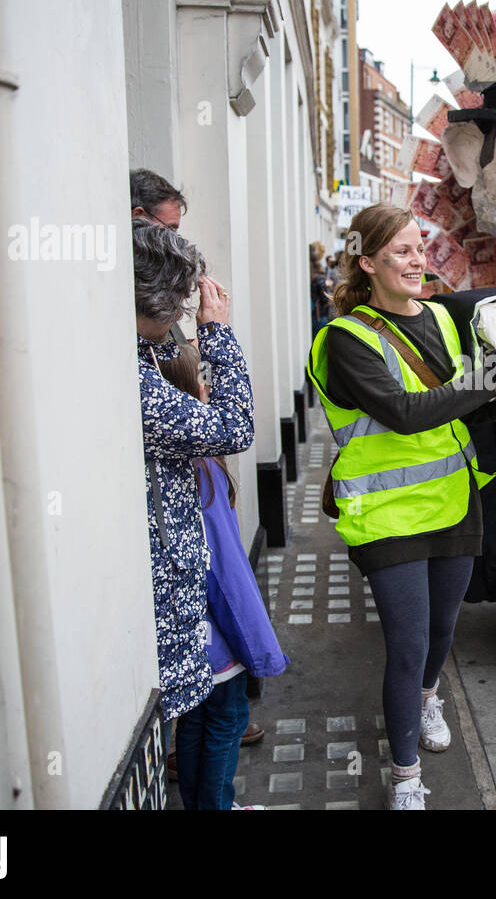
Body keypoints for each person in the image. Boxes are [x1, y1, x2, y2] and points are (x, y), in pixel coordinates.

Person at [308, 203, 496, 810]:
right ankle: (406, 777)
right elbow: (406, 416)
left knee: (441, 630)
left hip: (455, 500)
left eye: (419, 247)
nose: (416, 260)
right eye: (400, 251)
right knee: (406, 645)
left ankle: (429, 696)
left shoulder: (439, 316)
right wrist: (487, 379)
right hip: (387, 518)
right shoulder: (346, 338)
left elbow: (467, 405)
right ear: (368, 262)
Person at [134, 219, 255, 768]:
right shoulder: (135, 379)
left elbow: (177, 370)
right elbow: (235, 426)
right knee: (199, 715)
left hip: (172, 578)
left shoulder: (139, 356)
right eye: (180, 306)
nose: (185, 316)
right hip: (162, 585)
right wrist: (217, 333)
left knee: (202, 710)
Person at [156, 346, 289, 810]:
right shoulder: (204, 468)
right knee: (227, 719)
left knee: (193, 724)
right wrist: (255, 643)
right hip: (216, 633)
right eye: (205, 380)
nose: (212, 390)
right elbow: (227, 571)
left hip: (184, 629)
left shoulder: (167, 464)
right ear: (187, 392)